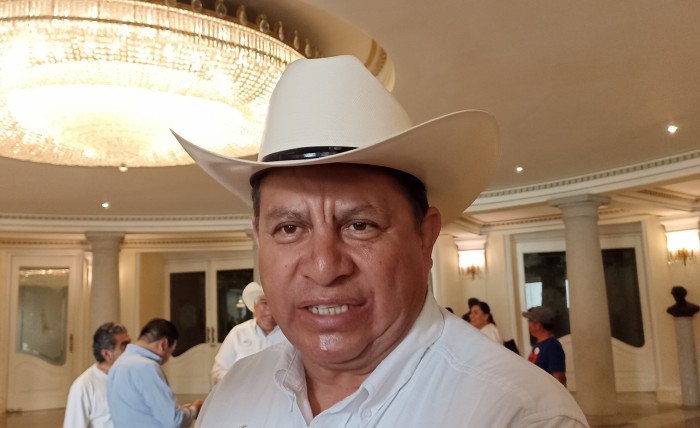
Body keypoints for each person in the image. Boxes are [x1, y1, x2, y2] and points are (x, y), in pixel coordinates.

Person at [174, 55, 587, 427]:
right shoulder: (234, 394)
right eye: (289, 229)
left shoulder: (520, 414)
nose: (324, 267)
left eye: (360, 225)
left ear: (424, 237)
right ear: (260, 241)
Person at [107, 318, 203, 428]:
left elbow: (139, 410)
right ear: (163, 344)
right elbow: (174, 421)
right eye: (171, 351)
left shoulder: (118, 364)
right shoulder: (146, 367)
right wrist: (195, 409)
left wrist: (179, 410)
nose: (167, 358)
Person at [210, 281, 286, 385]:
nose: (270, 308)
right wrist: (239, 384)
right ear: (255, 306)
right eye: (265, 302)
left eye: (274, 304)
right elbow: (218, 370)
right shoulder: (238, 333)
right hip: (240, 392)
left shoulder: (289, 335)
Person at [63, 322, 131, 428]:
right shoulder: (83, 386)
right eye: (124, 346)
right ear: (107, 354)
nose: (131, 351)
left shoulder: (133, 377)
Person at [522, 306, 567, 387]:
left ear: (538, 325)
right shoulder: (538, 345)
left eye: (530, 321)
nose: (528, 325)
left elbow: (559, 379)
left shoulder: (552, 346)